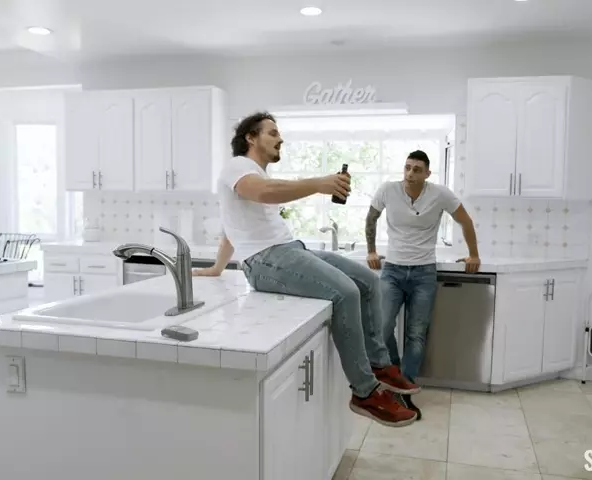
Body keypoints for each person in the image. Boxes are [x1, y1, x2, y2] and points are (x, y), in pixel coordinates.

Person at [192, 111, 420, 427]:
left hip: (288, 249)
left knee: (368, 281)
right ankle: (365, 392)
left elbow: (232, 227)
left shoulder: (255, 174)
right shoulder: (238, 167)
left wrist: (217, 268)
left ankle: (379, 364)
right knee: (346, 292)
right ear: (250, 137)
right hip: (265, 259)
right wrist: (318, 184)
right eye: (272, 133)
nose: (280, 138)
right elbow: (264, 192)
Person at [365, 150, 480, 419]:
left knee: (416, 335)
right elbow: (371, 218)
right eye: (407, 167)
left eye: (417, 169)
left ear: (427, 173)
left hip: (424, 273)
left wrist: (474, 254)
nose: (410, 173)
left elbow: (465, 221)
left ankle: (404, 390)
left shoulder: (440, 194)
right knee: (382, 328)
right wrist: (371, 250)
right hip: (392, 271)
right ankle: (395, 376)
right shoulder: (388, 190)